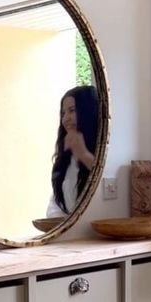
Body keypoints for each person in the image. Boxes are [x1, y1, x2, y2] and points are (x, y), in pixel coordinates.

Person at [46, 85, 99, 217]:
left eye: (72, 110)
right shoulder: (65, 158)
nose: (65, 119)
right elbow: (56, 204)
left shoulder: (106, 151)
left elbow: (109, 189)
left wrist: (83, 154)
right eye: (63, 113)